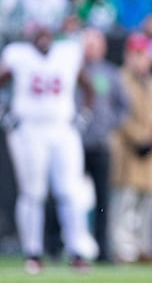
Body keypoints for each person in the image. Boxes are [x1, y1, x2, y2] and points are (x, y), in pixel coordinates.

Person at [0, 25, 97, 273]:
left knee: (70, 190)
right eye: (38, 34)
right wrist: (5, 115)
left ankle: (78, 251)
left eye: (46, 33)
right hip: (30, 130)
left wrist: (83, 117)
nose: (43, 39)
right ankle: (33, 252)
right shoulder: (17, 55)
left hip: (62, 128)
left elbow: (88, 87)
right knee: (33, 192)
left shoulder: (68, 53)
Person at [109, 33, 152, 263]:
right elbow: (118, 114)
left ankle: (145, 247)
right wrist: (138, 137)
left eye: (144, 55)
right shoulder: (119, 79)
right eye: (136, 54)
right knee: (125, 201)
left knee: (150, 204)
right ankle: (121, 249)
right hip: (128, 150)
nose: (140, 60)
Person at [79, 28, 129, 263]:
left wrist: (109, 124)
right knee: (69, 196)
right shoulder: (73, 69)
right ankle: (63, 245)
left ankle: (102, 249)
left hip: (99, 143)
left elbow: (123, 106)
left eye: (95, 44)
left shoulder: (109, 73)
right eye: (87, 43)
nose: (91, 48)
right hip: (74, 143)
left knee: (102, 199)